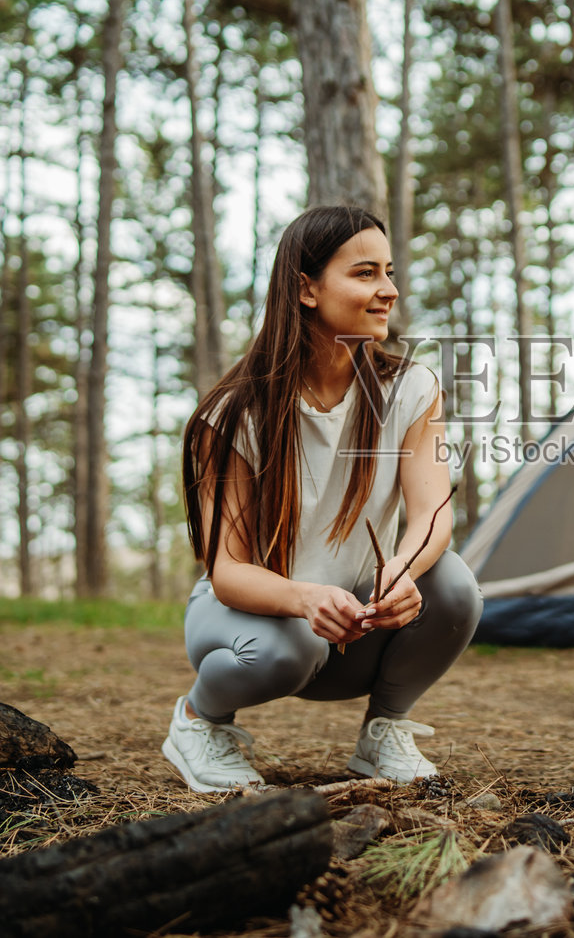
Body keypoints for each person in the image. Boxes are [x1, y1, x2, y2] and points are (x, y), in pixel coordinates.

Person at [162, 205, 482, 793]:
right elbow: (228, 571)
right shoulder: (233, 413)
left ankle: (384, 732)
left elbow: (433, 517)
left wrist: (401, 577)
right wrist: (306, 598)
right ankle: (199, 722)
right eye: (365, 274)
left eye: (388, 272)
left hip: (354, 632)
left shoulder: (412, 388)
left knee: (454, 584)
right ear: (306, 289)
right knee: (287, 646)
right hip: (252, 628)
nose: (388, 290)